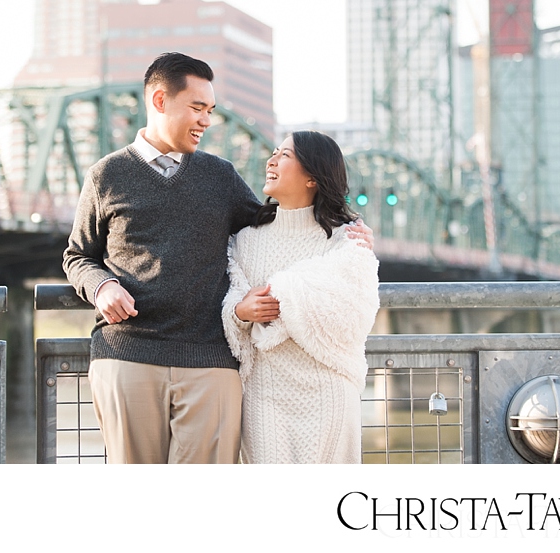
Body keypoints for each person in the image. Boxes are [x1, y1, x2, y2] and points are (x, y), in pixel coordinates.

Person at [63, 53, 371, 463]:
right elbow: (77, 255)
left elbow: (278, 221)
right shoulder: (107, 175)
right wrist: (100, 285)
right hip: (127, 355)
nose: (207, 120)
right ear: (159, 101)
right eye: (197, 108)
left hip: (210, 362)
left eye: (210, 110)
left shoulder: (219, 175)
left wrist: (351, 227)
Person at [222, 130, 380, 463]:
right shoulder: (245, 240)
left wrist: (287, 295)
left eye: (285, 155)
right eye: (274, 153)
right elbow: (231, 304)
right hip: (264, 395)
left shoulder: (348, 239)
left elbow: (357, 313)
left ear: (312, 177)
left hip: (328, 390)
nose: (271, 160)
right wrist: (240, 311)